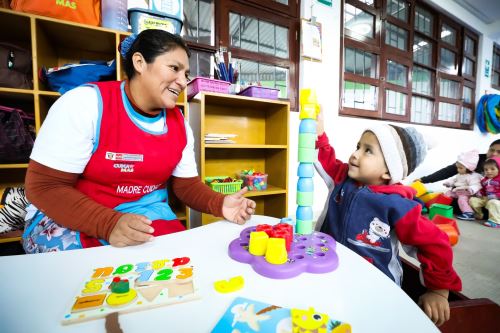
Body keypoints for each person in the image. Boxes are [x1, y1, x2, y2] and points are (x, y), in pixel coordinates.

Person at [22, 30, 256, 253]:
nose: (183, 82)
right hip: (74, 212)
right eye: (174, 68)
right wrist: (108, 224)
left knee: (178, 267)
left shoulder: (180, 125)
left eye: (185, 74)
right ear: (139, 62)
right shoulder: (84, 104)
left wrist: (220, 204)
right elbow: (44, 187)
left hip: (144, 212)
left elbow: (186, 186)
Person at [314, 113, 462, 327]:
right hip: (332, 272)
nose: (354, 155)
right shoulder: (341, 179)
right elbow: (324, 159)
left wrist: (438, 290)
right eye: (358, 146)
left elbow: (434, 242)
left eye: (368, 151)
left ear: (388, 171)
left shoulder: (399, 205)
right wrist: (318, 133)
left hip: (376, 287)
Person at [441, 150, 482, 220]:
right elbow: (454, 180)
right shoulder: (460, 175)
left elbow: (477, 185)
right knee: (447, 193)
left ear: (469, 168)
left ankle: (468, 213)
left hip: (466, 193)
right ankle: (442, 207)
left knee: (461, 200)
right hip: (457, 191)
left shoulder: (473, 176)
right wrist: (448, 183)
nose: (458, 170)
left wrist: (471, 189)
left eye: (460, 168)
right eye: (457, 167)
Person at [469, 157, 500, 228]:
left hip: (497, 200)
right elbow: (483, 189)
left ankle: (496, 221)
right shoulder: (484, 180)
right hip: (486, 198)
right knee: (473, 200)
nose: (488, 171)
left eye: (492, 169)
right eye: (486, 169)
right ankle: (480, 215)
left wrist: (496, 196)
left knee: (493, 202)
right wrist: (480, 193)